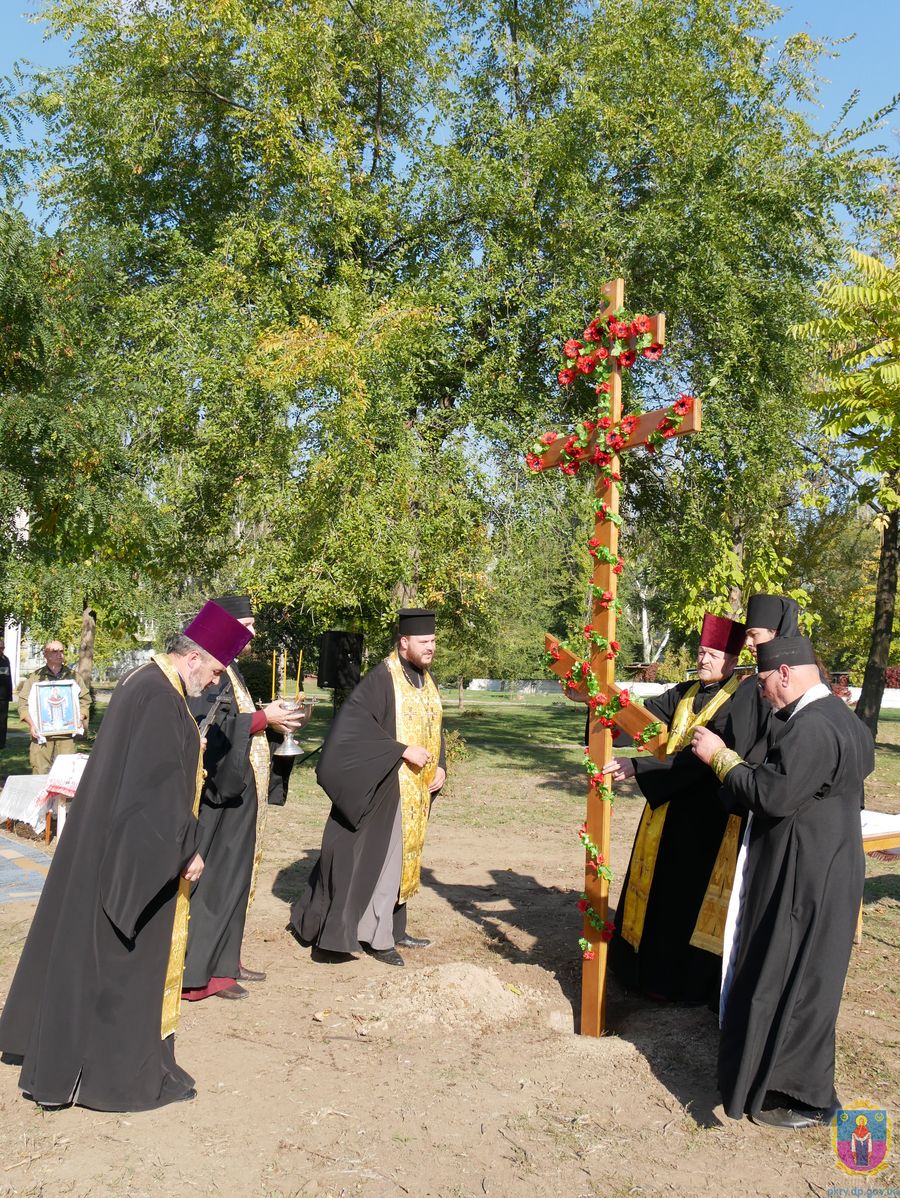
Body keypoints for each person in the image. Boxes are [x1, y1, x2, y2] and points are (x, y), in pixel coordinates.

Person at [0, 602, 252, 1112]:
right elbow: (152, 793)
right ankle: (105, 1074)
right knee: (114, 960)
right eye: (217, 671)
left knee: (78, 953)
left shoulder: (148, 681)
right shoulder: (161, 697)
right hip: (131, 852)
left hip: (103, 844)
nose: (215, 683)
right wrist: (188, 848)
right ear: (195, 658)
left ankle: (65, 1058)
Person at [692, 636, 874, 1129]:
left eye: (766, 683)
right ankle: (801, 1086)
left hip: (802, 875)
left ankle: (794, 1092)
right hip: (830, 866)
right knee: (812, 980)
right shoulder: (843, 719)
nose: (764, 693)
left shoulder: (812, 727)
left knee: (786, 976)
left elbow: (771, 795)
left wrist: (720, 757)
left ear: (786, 674)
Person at [602, 612, 746, 1004]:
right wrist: (602, 709)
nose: (703, 660)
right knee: (649, 892)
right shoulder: (682, 691)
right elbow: (640, 722)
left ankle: (673, 984)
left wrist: (639, 766)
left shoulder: (741, 701)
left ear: (732, 660)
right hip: (663, 810)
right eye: (701, 652)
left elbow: (700, 759)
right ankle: (635, 971)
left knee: (678, 901)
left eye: (713, 654)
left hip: (701, 819)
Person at [290, 608, 446, 967]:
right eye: (424, 642)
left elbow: (435, 725)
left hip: (416, 791)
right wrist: (401, 750)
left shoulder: (426, 679)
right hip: (384, 787)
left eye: (433, 642)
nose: (430, 648)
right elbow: (351, 733)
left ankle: (394, 927)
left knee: (404, 860)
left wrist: (442, 765)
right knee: (382, 861)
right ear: (404, 642)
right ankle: (376, 937)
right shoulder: (381, 679)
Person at [182, 594, 305, 1002]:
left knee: (235, 879)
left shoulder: (230, 667)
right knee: (214, 881)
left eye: (253, 624)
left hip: (239, 792)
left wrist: (272, 722)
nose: (252, 632)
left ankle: (225, 961)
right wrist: (262, 718)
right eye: (245, 624)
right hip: (217, 792)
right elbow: (208, 725)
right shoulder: (204, 668)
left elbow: (237, 720)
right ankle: (200, 973)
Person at [16, 640, 91, 774]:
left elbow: (85, 700)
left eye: (61, 651)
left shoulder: (74, 676)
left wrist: (79, 718)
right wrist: (31, 724)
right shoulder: (35, 678)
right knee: (40, 772)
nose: (59, 654)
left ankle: (62, 796)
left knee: (66, 774)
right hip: (42, 734)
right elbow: (23, 704)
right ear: (45, 654)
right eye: (54, 651)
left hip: (67, 736)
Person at [0, 637, 12, 751]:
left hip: (3, 697)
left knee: (3, 721)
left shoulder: (6, 659)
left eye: (3, 647)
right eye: (0, 647)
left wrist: (9, 694)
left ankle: (2, 743)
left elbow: (9, 678)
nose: (1, 649)